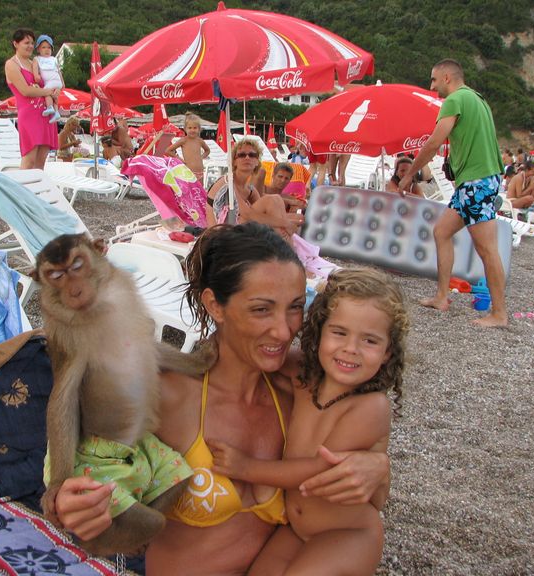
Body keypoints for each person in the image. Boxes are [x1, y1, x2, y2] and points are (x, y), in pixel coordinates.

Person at [53, 223, 391, 575]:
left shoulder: (302, 388)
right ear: (215, 304)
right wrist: (70, 503)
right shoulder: (170, 394)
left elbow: (367, 477)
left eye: (295, 307)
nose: (284, 330)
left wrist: (378, 467)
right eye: (261, 309)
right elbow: (85, 468)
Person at [211, 266, 408, 575]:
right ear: (319, 331)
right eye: (339, 332)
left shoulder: (371, 407)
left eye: (370, 341)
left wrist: (245, 467)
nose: (351, 349)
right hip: (296, 529)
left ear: (387, 352)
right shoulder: (304, 376)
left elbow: (320, 469)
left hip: (347, 534)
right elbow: (255, 357)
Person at [398, 58, 507, 327]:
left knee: (487, 249)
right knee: (442, 231)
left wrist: (409, 175)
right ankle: (442, 296)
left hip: (477, 181)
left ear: (447, 77)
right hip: (478, 180)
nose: (432, 86)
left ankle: (499, 314)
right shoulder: (478, 100)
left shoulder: (455, 100)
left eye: (434, 80)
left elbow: (434, 142)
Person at [206, 138, 302, 242]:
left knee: (277, 200)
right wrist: (285, 223)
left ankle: (287, 246)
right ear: (234, 161)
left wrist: (289, 220)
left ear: (257, 162)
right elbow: (247, 214)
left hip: (237, 230)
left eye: (252, 155)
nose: (247, 157)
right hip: (221, 236)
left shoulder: (249, 189)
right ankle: (287, 247)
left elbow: (267, 213)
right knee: (272, 200)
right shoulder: (227, 182)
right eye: (242, 155)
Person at [4, 28, 58, 169]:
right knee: (29, 160)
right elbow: (25, 90)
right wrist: (47, 92)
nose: (30, 46)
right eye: (26, 43)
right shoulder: (11, 64)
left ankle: (38, 184)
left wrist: (55, 90)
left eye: (32, 43)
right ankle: (22, 184)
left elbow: (51, 80)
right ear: (16, 44)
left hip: (46, 114)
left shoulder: (36, 62)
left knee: (40, 163)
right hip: (29, 115)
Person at [165, 112, 210, 183]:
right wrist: (179, 159)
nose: (192, 130)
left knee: (199, 189)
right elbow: (168, 150)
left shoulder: (200, 141)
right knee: (189, 188)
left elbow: (207, 150)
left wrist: (201, 157)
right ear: (185, 129)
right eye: (190, 128)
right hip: (188, 171)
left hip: (200, 171)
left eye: (195, 128)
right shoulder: (184, 140)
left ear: (199, 129)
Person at [34, 34, 63, 124]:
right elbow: (59, 72)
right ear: (38, 49)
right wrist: (62, 84)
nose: (47, 50)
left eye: (49, 48)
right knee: (54, 96)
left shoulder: (40, 59)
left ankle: (50, 107)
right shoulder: (43, 59)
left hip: (52, 81)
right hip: (57, 82)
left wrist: (37, 77)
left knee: (46, 92)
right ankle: (56, 112)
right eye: (44, 47)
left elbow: (58, 71)